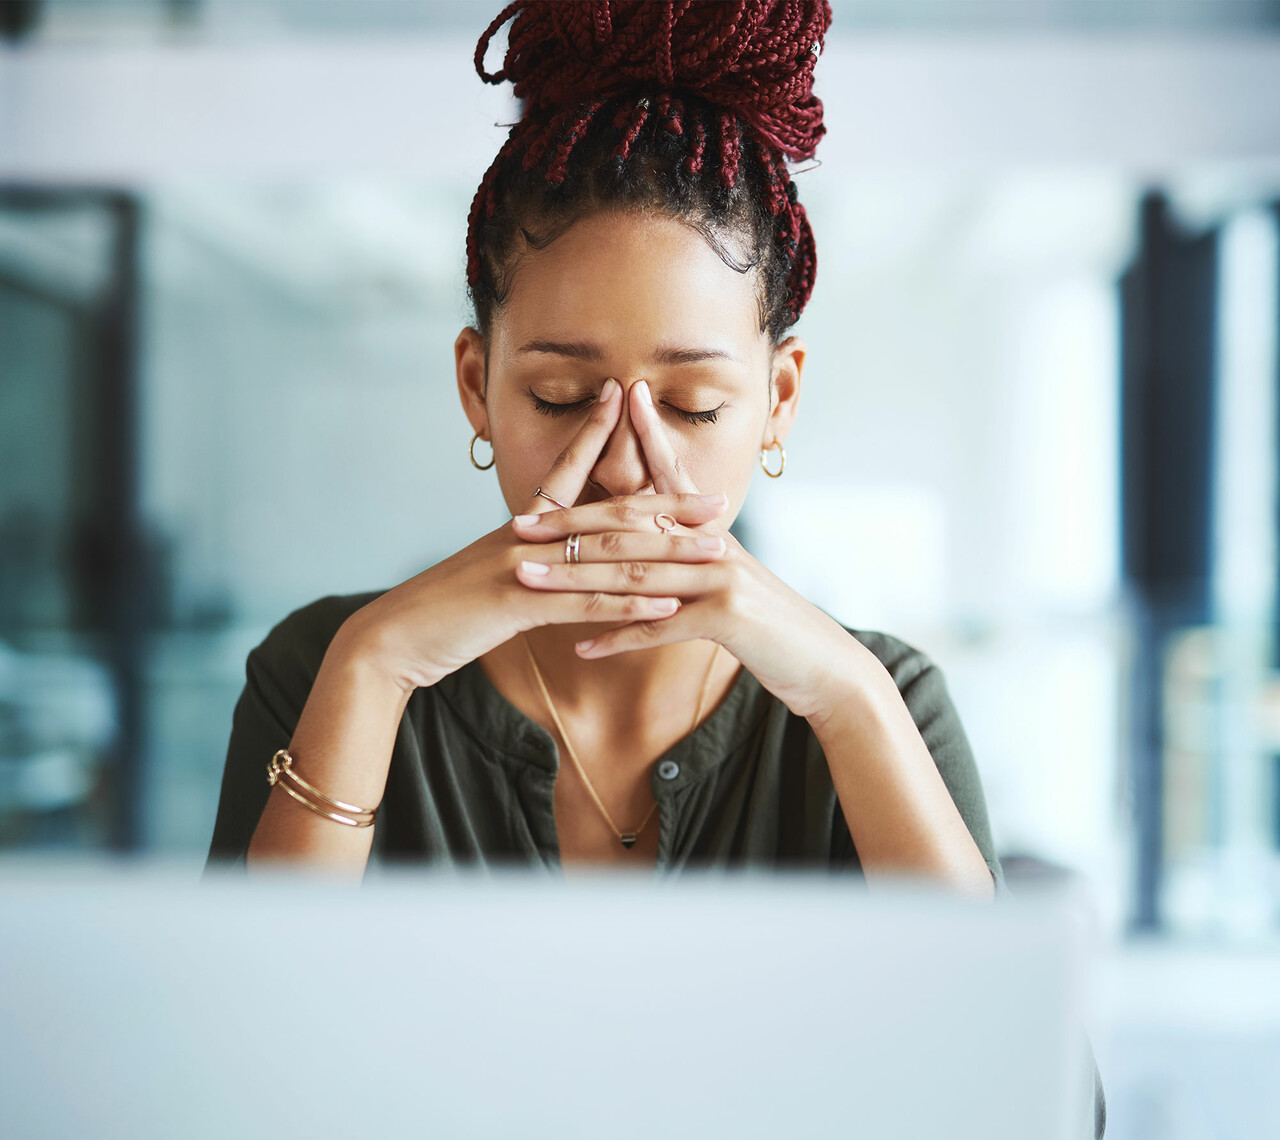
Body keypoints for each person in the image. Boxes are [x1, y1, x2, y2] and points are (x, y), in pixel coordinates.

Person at [206, 0, 1001, 897]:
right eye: (563, 398)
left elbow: (1010, 1039)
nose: (623, 467)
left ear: (778, 400)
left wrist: (849, 705)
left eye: (694, 406)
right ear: (477, 387)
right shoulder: (323, 668)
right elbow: (238, 1032)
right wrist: (373, 668)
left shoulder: (883, 693)